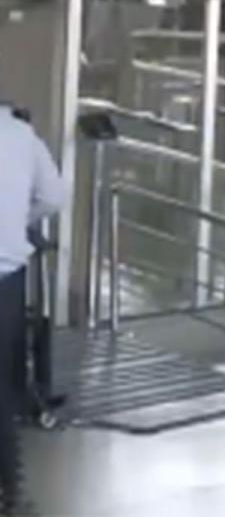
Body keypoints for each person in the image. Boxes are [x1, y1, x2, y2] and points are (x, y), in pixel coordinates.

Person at [0, 103, 65, 515]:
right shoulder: (21, 136)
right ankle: (11, 492)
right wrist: (21, 219)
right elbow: (54, 197)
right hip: (5, 280)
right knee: (2, 389)